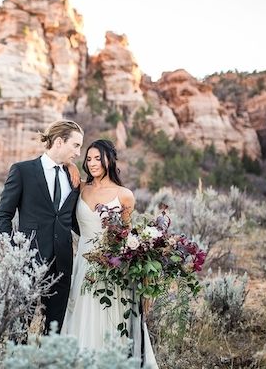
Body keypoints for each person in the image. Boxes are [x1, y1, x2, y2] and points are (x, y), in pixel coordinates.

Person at [60, 139, 158, 368]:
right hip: (83, 264)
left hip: (113, 267)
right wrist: (71, 165)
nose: (92, 163)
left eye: (97, 158)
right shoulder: (81, 187)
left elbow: (126, 237)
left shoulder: (125, 195)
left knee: (111, 318)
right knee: (83, 316)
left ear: (109, 160)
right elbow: (59, 162)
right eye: (88, 158)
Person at [0, 119, 84, 335]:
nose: (78, 153)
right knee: (20, 331)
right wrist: (15, 254)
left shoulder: (73, 178)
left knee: (54, 333)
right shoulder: (22, 171)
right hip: (28, 264)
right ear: (60, 142)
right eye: (76, 145)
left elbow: (72, 220)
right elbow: (3, 215)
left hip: (62, 266)